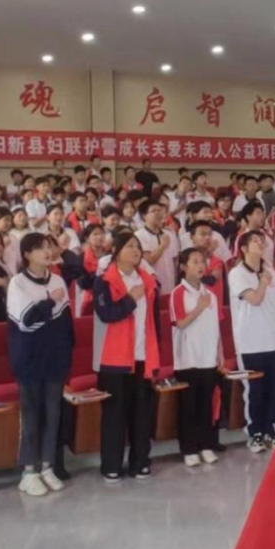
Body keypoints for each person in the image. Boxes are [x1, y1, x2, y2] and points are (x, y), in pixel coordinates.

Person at [6, 233, 74, 497]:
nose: (47, 252)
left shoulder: (57, 280)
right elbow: (26, 321)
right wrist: (50, 301)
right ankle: (28, 471)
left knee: (53, 414)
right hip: (29, 359)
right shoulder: (17, 283)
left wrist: (66, 355)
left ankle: (47, 466)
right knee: (31, 415)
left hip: (55, 359)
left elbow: (65, 323)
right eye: (40, 248)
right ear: (26, 254)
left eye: (48, 247)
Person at [93, 232, 160, 481]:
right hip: (113, 358)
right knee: (114, 414)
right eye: (130, 246)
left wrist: (156, 355)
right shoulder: (104, 280)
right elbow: (107, 314)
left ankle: (140, 461)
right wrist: (130, 299)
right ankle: (111, 464)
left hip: (142, 355)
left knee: (142, 413)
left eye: (138, 247)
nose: (135, 250)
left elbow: (154, 322)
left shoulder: (148, 281)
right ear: (117, 251)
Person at [228, 231, 275, 452]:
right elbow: (254, 299)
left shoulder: (271, 271)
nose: (261, 244)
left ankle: (271, 432)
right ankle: (254, 434)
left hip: (274, 340)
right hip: (250, 343)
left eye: (262, 241)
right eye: (255, 241)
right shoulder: (237, 273)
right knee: (255, 392)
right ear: (244, 248)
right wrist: (263, 281)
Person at [170, 248, 225, 466]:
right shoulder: (178, 293)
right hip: (187, 359)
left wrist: (220, 354)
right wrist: (199, 308)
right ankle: (189, 449)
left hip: (208, 358)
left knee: (206, 405)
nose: (201, 265)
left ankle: (206, 445)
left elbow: (217, 327)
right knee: (188, 407)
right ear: (183, 267)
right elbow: (180, 323)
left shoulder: (211, 295)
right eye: (195, 261)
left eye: (202, 261)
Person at [135, 199, 179, 296]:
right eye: (154, 211)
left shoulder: (170, 234)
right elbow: (149, 261)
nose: (158, 213)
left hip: (171, 285)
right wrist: (162, 246)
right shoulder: (139, 235)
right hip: (152, 286)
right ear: (144, 216)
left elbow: (175, 261)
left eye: (160, 210)